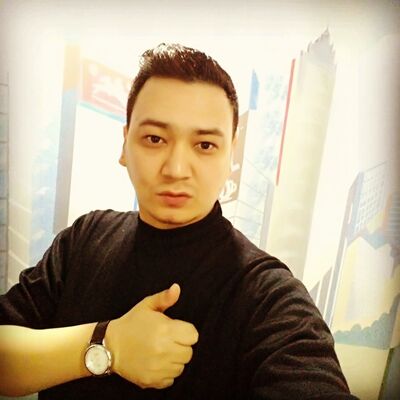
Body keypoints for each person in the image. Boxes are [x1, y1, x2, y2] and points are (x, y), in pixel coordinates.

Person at [0, 43, 358, 399]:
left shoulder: (267, 294)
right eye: (155, 138)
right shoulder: (85, 238)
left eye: (205, 145)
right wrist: (106, 345)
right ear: (125, 144)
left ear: (230, 155)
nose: (175, 169)